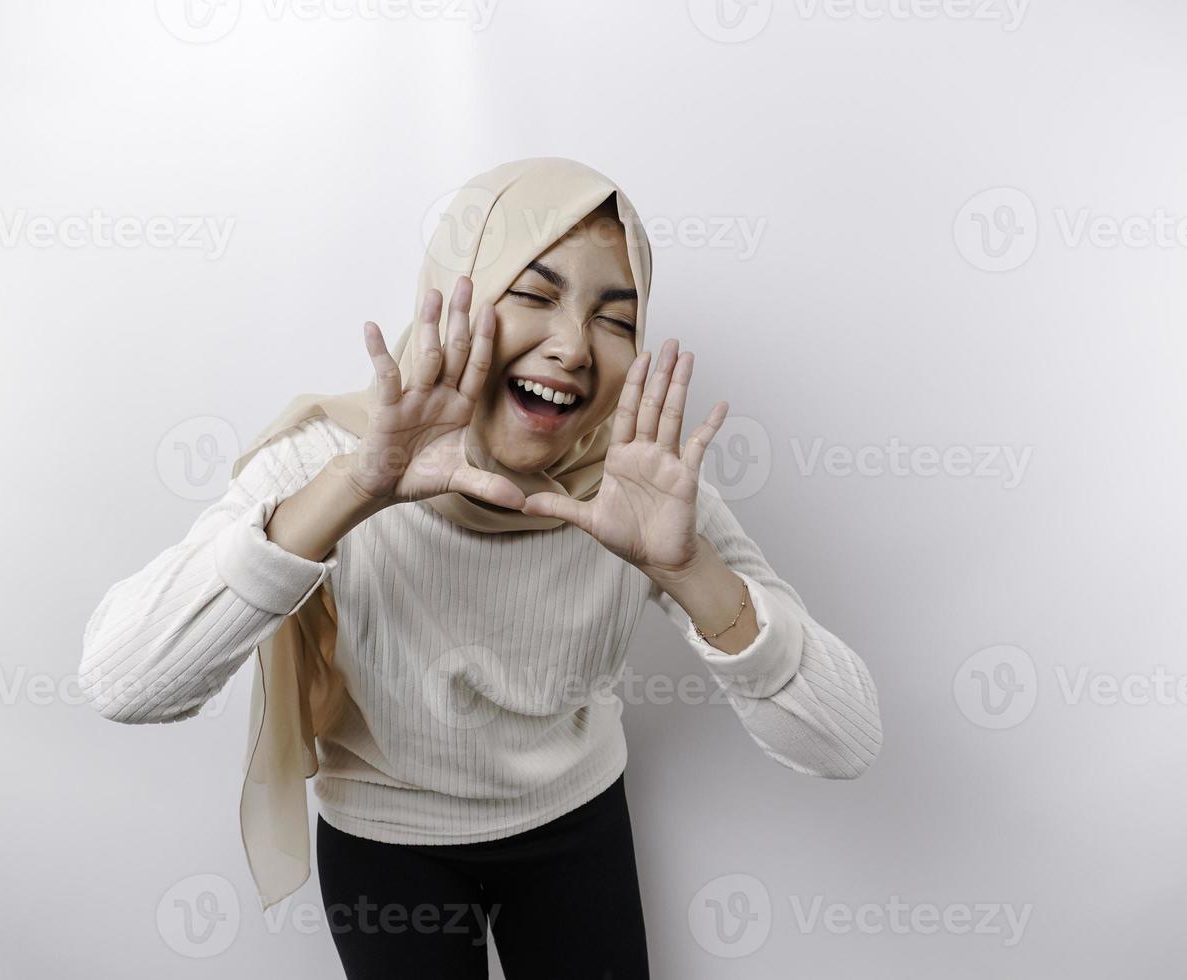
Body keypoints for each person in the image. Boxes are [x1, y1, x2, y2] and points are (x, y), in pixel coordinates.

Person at [79, 157, 882, 979]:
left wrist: (688, 569)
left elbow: (847, 742)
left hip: (576, 820)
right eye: (534, 295)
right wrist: (355, 492)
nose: (572, 347)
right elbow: (122, 683)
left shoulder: (641, 488)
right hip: (387, 841)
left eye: (615, 319)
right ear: (456, 295)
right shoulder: (336, 460)